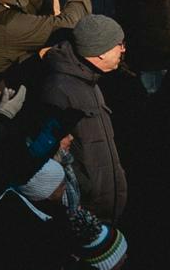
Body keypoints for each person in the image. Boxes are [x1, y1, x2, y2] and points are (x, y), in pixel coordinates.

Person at [38, 11, 130, 218]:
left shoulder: (89, 79)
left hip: (105, 202)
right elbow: (54, 154)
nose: (123, 50)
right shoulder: (59, 89)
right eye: (120, 44)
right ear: (100, 52)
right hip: (88, 210)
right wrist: (87, 190)